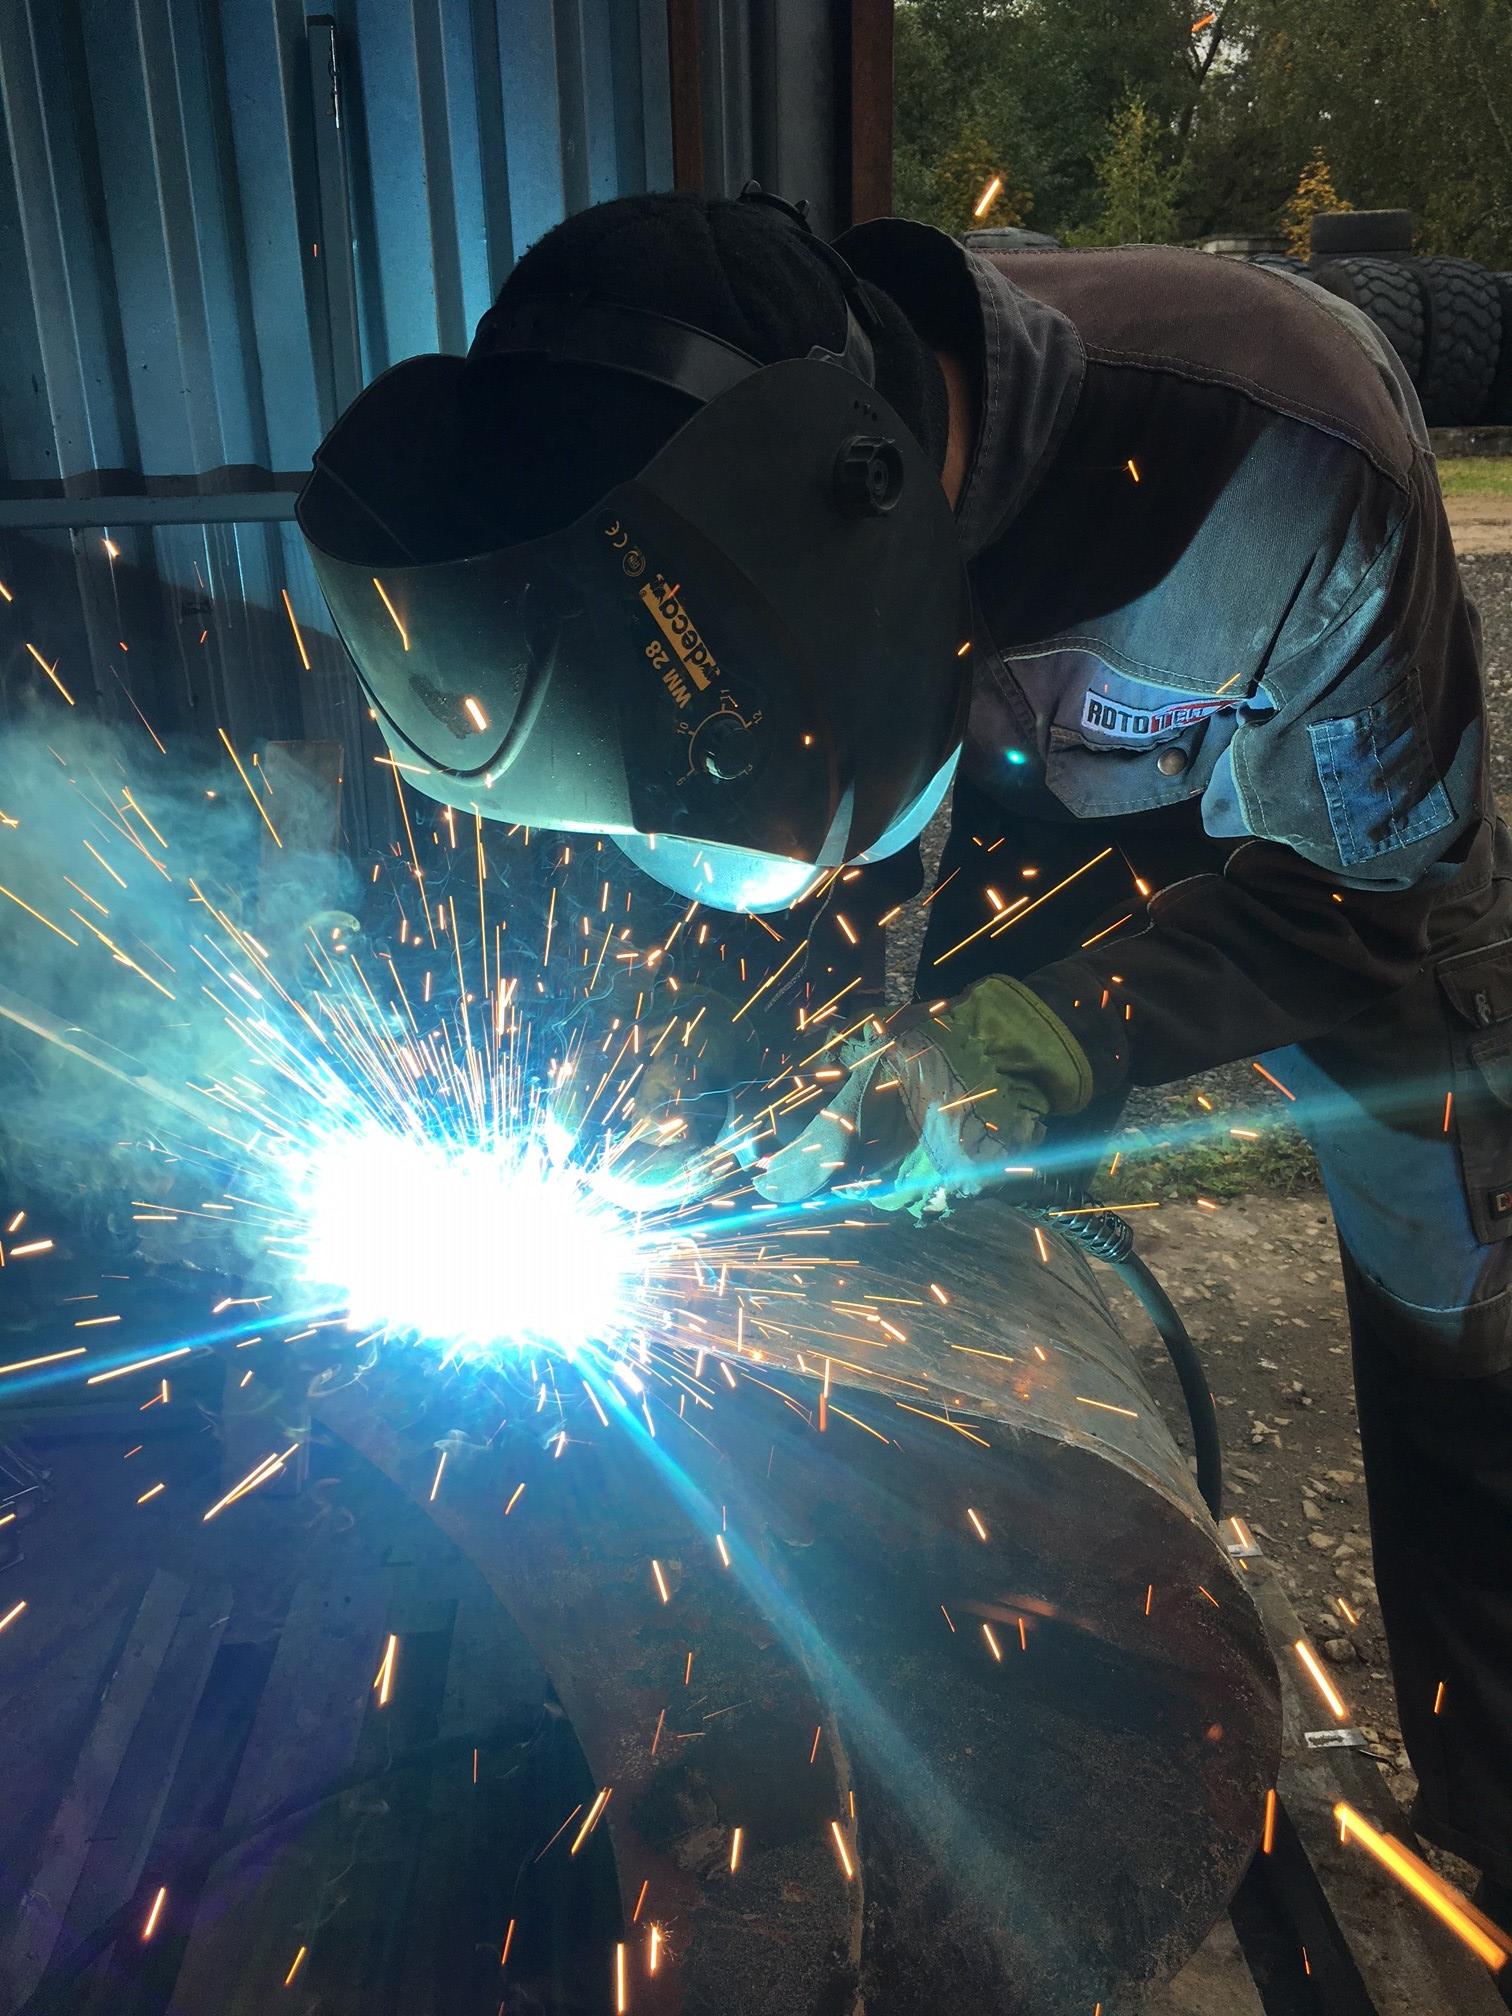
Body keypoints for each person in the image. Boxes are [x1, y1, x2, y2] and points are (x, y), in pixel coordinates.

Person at [297, 186, 1512, 1964]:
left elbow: (1361, 904)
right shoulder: (675, 545)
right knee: (843, 1168)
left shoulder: (1280, 475)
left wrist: (1038, 1040)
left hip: (1330, 853)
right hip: (984, 790)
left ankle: (1492, 1809)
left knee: (1461, 1287)